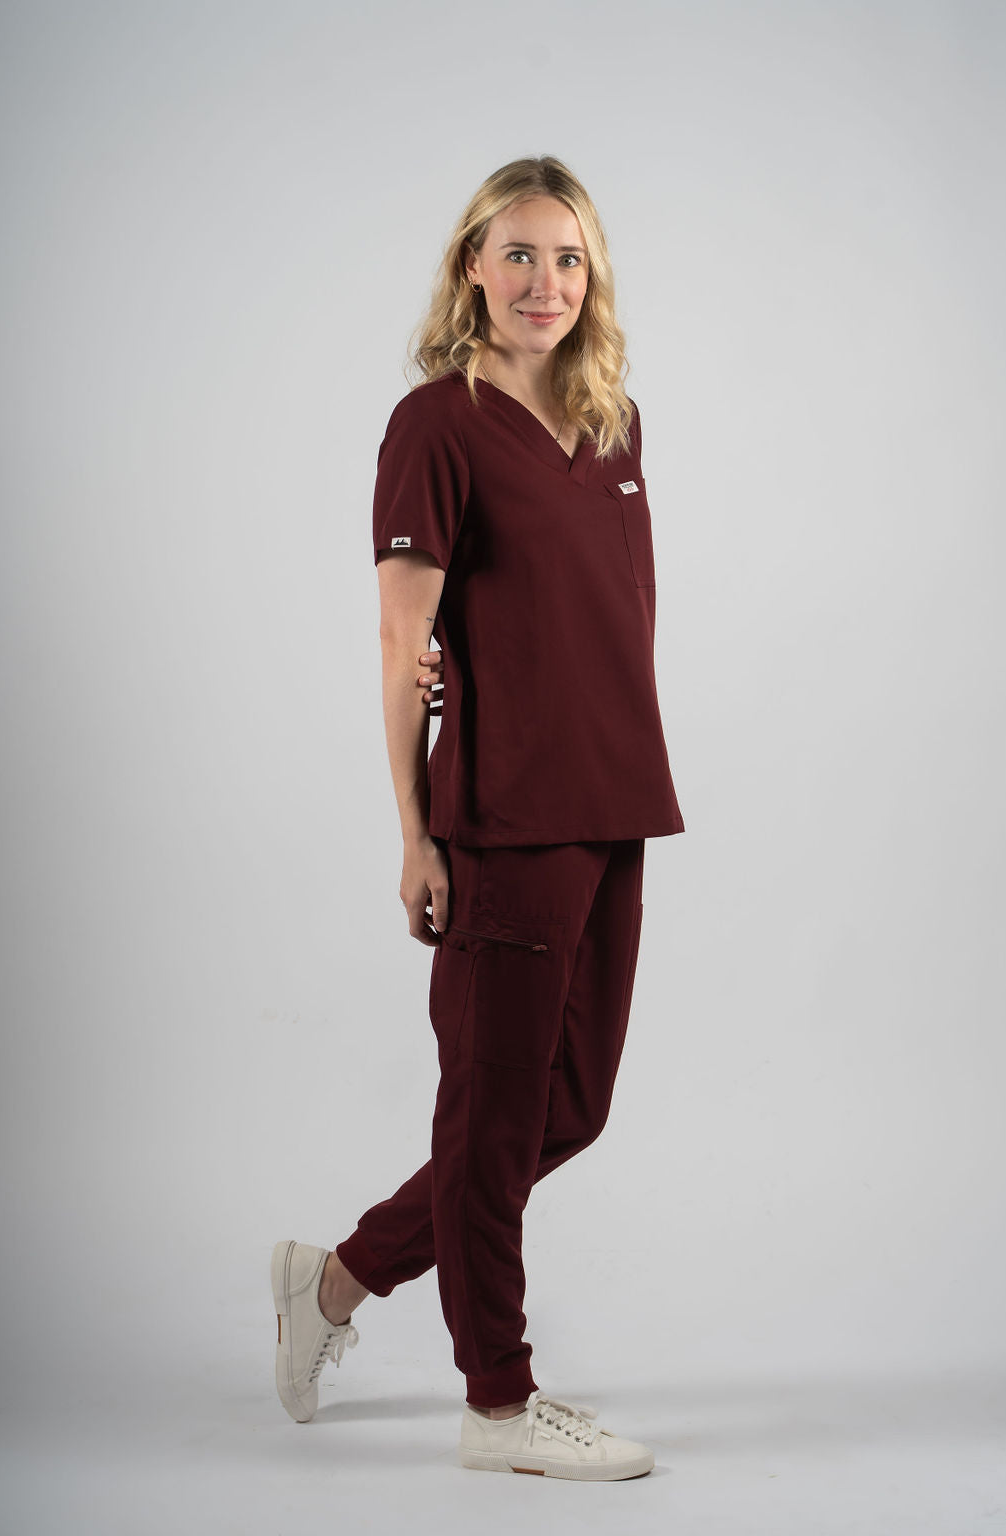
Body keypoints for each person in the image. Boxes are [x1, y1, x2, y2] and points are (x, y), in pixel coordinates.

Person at [271, 154, 685, 1481]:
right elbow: (405, 643)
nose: (544, 283)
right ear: (472, 267)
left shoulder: (614, 422)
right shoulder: (434, 427)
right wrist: (416, 832)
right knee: (494, 1120)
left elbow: (617, 619)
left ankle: (335, 1281)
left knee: (570, 1107)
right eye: (518, 254)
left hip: (614, 802)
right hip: (503, 818)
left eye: (568, 258)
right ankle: (498, 1404)